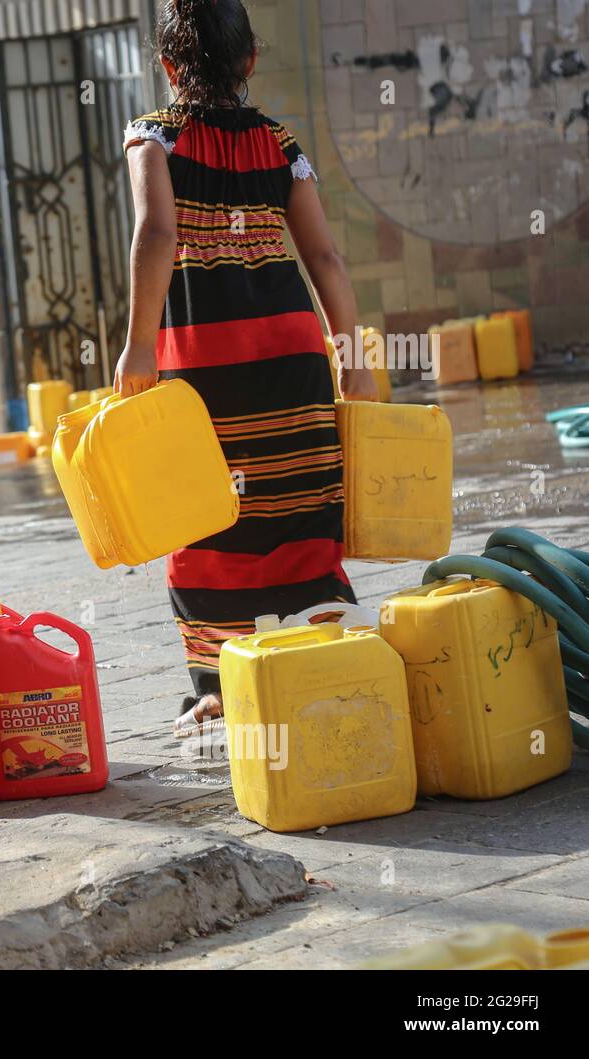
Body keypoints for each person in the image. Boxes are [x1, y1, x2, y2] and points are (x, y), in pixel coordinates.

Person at [116, 0, 379, 737]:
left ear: (169, 68)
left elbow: (156, 233)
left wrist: (139, 344)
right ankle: (322, 650)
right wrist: (350, 354)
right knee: (301, 504)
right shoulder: (282, 143)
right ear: (249, 62)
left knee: (205, 520)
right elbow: (324, 256)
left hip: (205, 365)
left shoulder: (154, 136)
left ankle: (223, 681)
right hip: (291, 357)